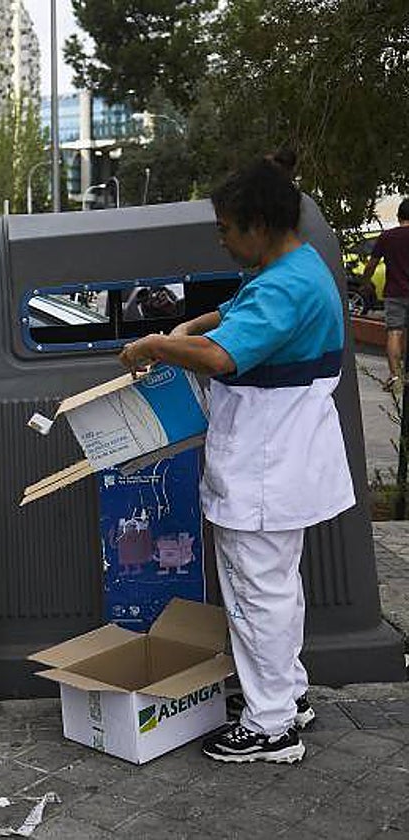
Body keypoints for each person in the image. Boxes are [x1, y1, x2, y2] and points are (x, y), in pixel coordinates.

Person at [118, 150, 355, 764]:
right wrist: (179, 335)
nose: (221, 240)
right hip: (276, 460)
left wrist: (157, 346)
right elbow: (227, 316)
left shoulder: (287, 286)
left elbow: (224, 356)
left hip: (266, 468)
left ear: (257, 224)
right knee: (275, 589)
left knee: (256, 596)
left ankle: (271, 725)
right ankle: (285, 694)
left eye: (225, 229)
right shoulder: (292, 271)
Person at [360, 198, 409, 390]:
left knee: (394, 332)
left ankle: (395, 377)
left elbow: (371, 264)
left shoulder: (387, 237)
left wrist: (366, 282)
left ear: (398, 216)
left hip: (394, 293)